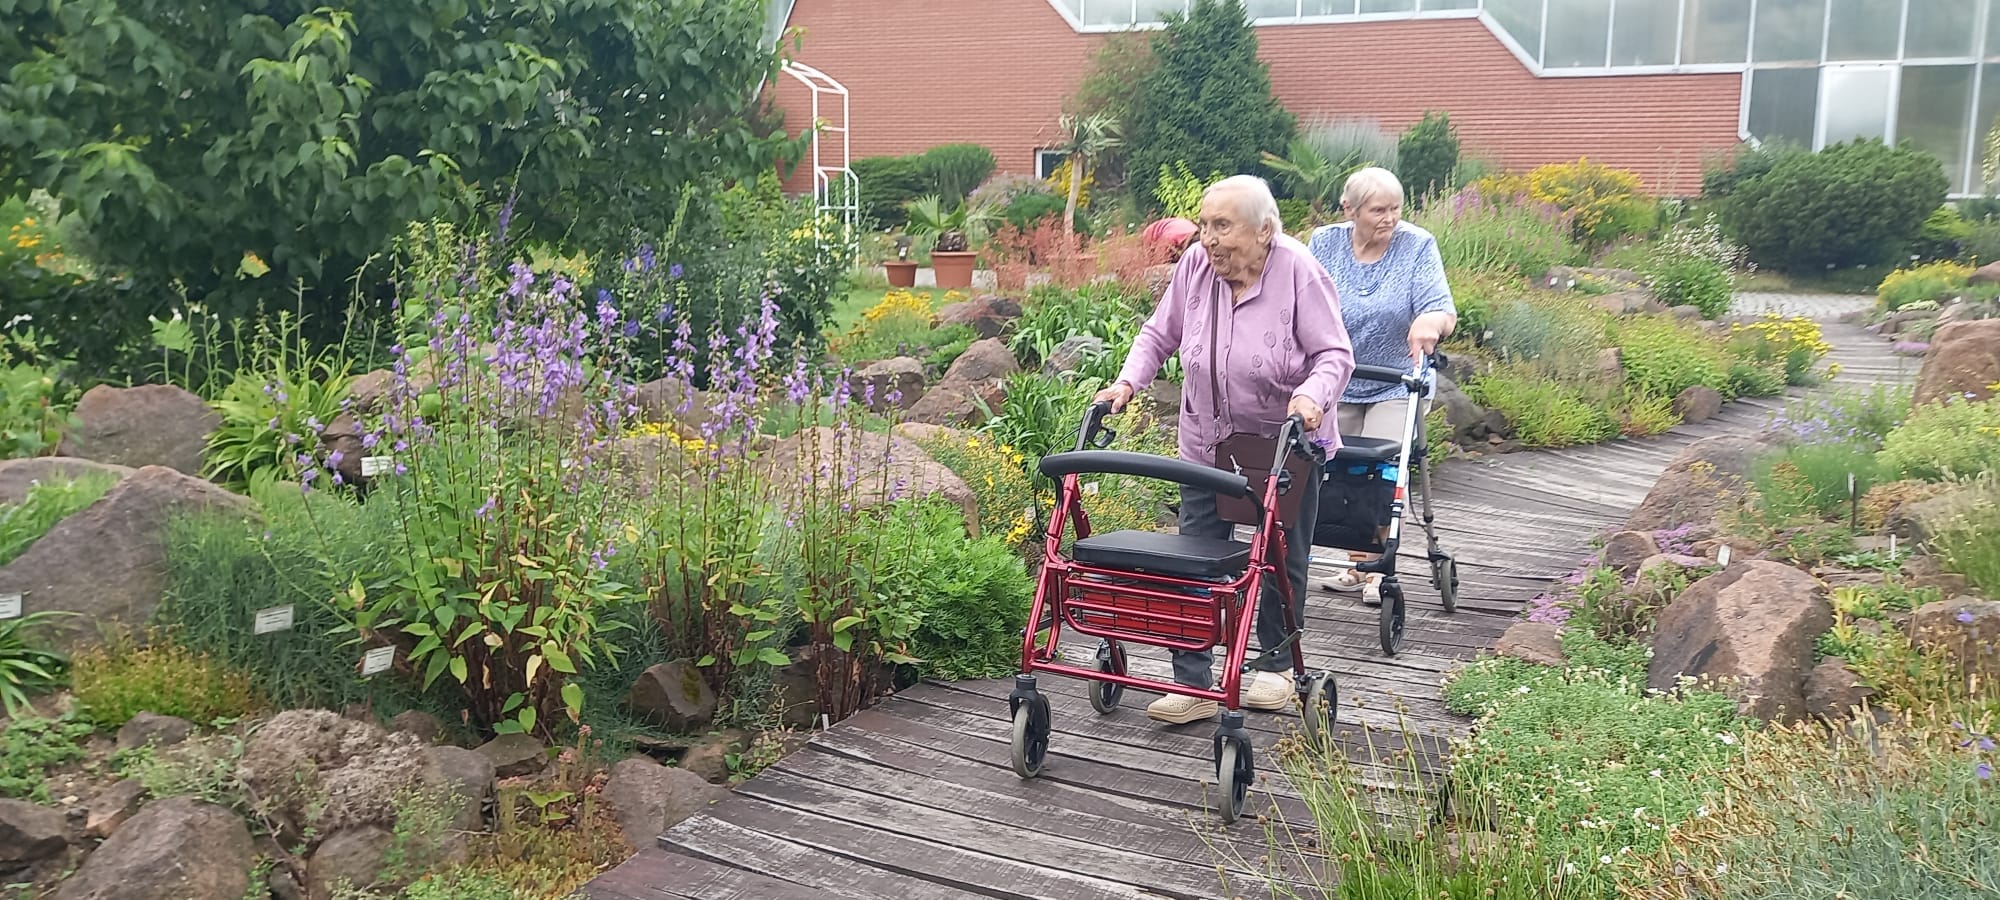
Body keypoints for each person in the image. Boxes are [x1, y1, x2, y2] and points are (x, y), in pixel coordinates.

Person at [1095, 175, 1355, 725]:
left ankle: (1275, 666)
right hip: (1207, 441)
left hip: (1281, 445)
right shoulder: (1195, 267)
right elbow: (1158, 333)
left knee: (1281, 553)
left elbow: (1335, 353)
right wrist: (1126, 383)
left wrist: (1310, 397)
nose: (1208, 239)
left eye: (1222, 226)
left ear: (1265, 230)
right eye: (1205, 224)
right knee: (1196, 555)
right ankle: (1191, 680)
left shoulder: (1299, 271)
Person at [1305, 166, 1457, 606]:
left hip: (1395, 381)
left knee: (1381, 474)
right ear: (1349, 209)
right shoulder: (1325, 244)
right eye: (1378, 210)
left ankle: (1377, 568)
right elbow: (1303, 301)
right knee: (1335, 469)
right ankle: (1358, 562)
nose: (1389, 218)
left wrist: (1430, 322)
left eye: (1395, 208)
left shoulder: (1417, 245)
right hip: (1337, 378)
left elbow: (1440, 306)